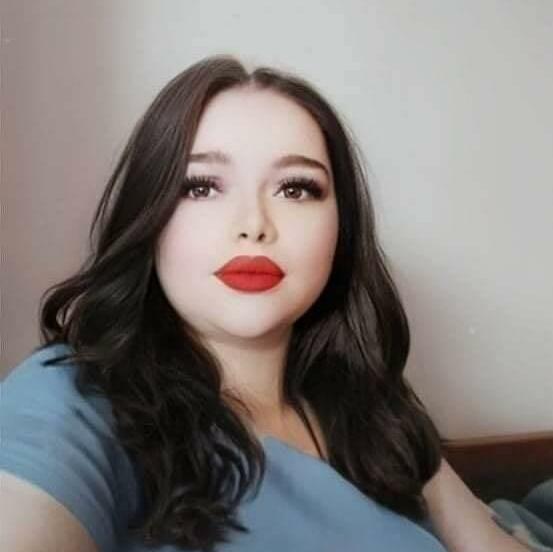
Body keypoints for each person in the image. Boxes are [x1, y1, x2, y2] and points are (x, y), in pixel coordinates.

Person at [0, 54, 528, 552]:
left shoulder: (374, 407)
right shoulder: (74, 400)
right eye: (201, 187)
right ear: (149, 215)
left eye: (295, 189)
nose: (253, 224)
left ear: (341, 229)